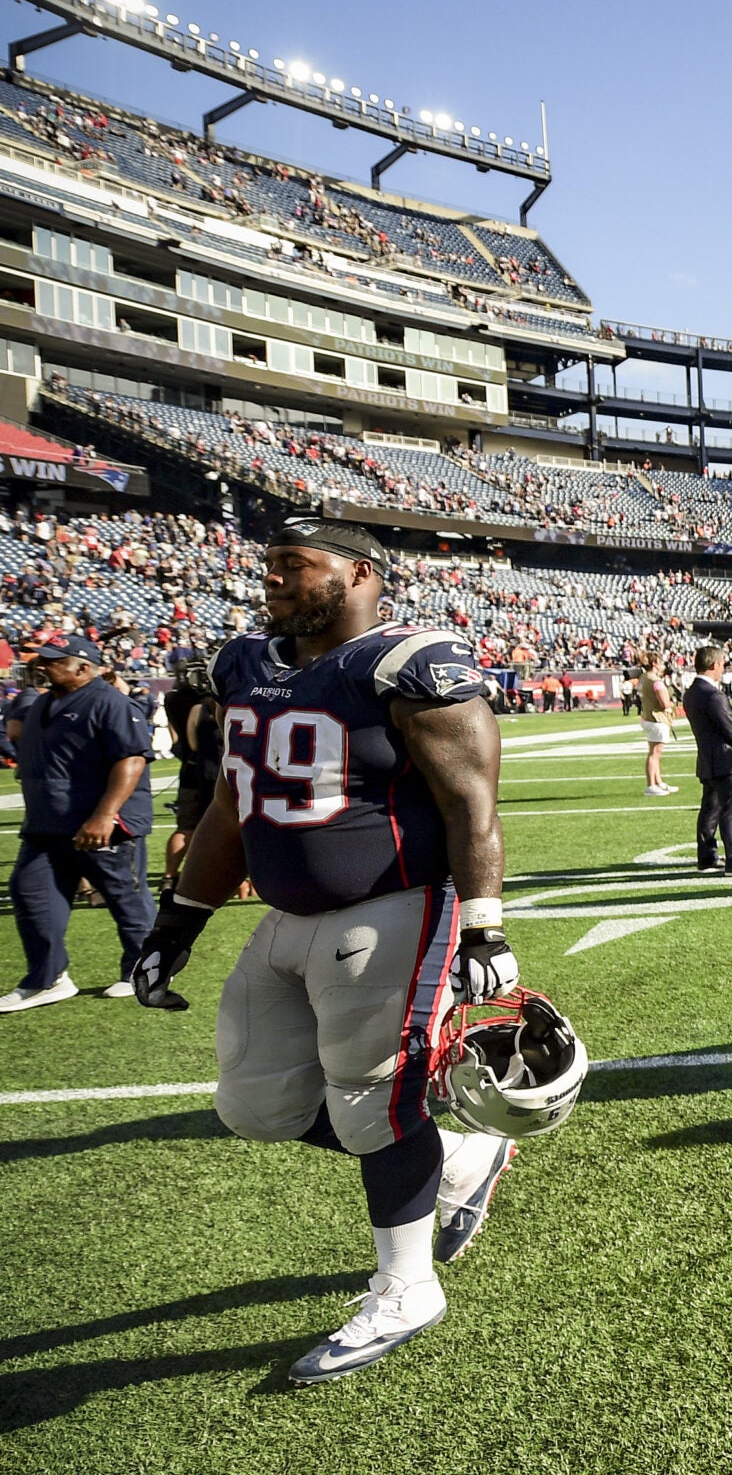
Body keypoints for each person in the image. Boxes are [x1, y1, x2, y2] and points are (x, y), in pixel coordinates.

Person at [127, 517, 522, 1383]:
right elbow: (234, 806)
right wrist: (177, 921)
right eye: (269, 565)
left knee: (371, 1101)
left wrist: (485, 923)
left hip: (391, 907)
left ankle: (407, 1286)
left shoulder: (410, 662)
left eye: (293, 566)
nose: (272, 580)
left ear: (357, 572)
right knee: (256, 1102)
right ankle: (457, 1156)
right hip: (286, 916)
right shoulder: (247, 664)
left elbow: (471, 800)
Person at [1, 632, 156, 1011]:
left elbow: (132, 759)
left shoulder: (111, 703)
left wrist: (104, 814)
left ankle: (145, 972)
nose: (42, 664)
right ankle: (47, 977)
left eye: (54, 659)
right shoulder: (41, 703)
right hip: (46, 824)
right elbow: (18, 735)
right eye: (43, 658)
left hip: (102, 825)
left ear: (83, 668)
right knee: (29, 891)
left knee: (126, 900)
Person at [684, 643, 732, 873]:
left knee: (710, 809)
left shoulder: (692, 692)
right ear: (714, 665)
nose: (723, 668)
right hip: (724, 761)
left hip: (707, 759)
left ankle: (706, 856)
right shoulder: (712, 695)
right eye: (722, 664)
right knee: (730, 809)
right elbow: (730, 728)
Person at [160, 651, 224, 900]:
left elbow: (190, 743)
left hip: (193, 770)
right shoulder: (220, 705)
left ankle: (169, 877)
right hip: (222, 775)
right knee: (227, 828)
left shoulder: (176, 700)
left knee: (186, 828)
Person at [637, 653, 678, 797]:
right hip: (657, 718)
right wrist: (672, 703)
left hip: (647, 717)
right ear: (654, 664)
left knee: (654, 752)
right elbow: (664, 704)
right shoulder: (656, 681)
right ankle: (651, 785)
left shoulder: (643, 678)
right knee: (654, 753)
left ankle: (658, 782)